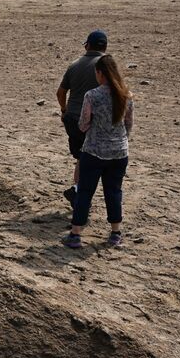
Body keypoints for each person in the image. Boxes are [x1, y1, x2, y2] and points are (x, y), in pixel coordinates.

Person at [62, 55, 133, 249]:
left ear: (100, 73)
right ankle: (115, 233)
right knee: (114, 191)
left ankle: (76, 234)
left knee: (85, 191)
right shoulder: (126, 95)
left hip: (94, 150)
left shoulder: (92, 95)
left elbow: (83, 125)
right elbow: (128, 126)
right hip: (119, 152)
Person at [57, 30, 108, 209]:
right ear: (105, 46)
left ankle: (78, 192)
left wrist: (64, 111)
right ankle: (79, 192)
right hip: (93, 121)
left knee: (81, 156)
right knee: (92, 160)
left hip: (72, 119)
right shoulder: (106, 66)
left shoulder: (75, 64)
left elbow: (61, 92)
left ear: (87, 45)